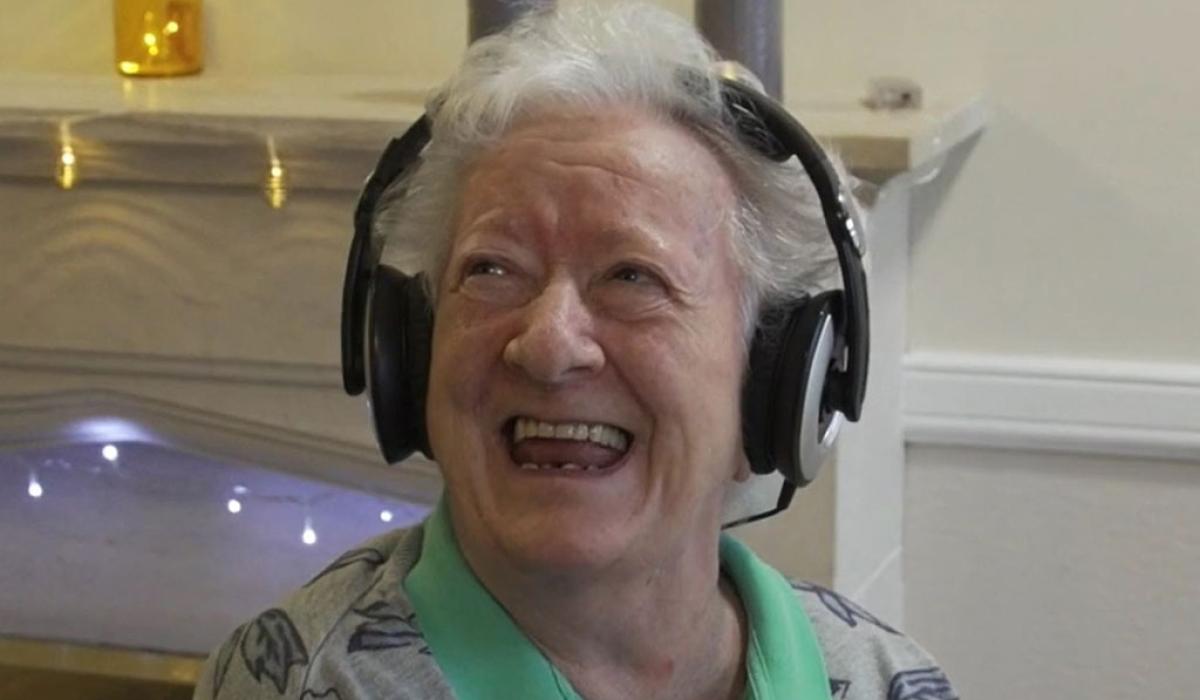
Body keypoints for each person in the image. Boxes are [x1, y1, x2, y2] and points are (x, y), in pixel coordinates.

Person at [195, 4, 956, 699]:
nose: (548, 344)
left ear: (776, 377)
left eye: (633, 277)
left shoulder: (885, 679)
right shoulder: (296, 682)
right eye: (490, 271)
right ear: (414, 352)